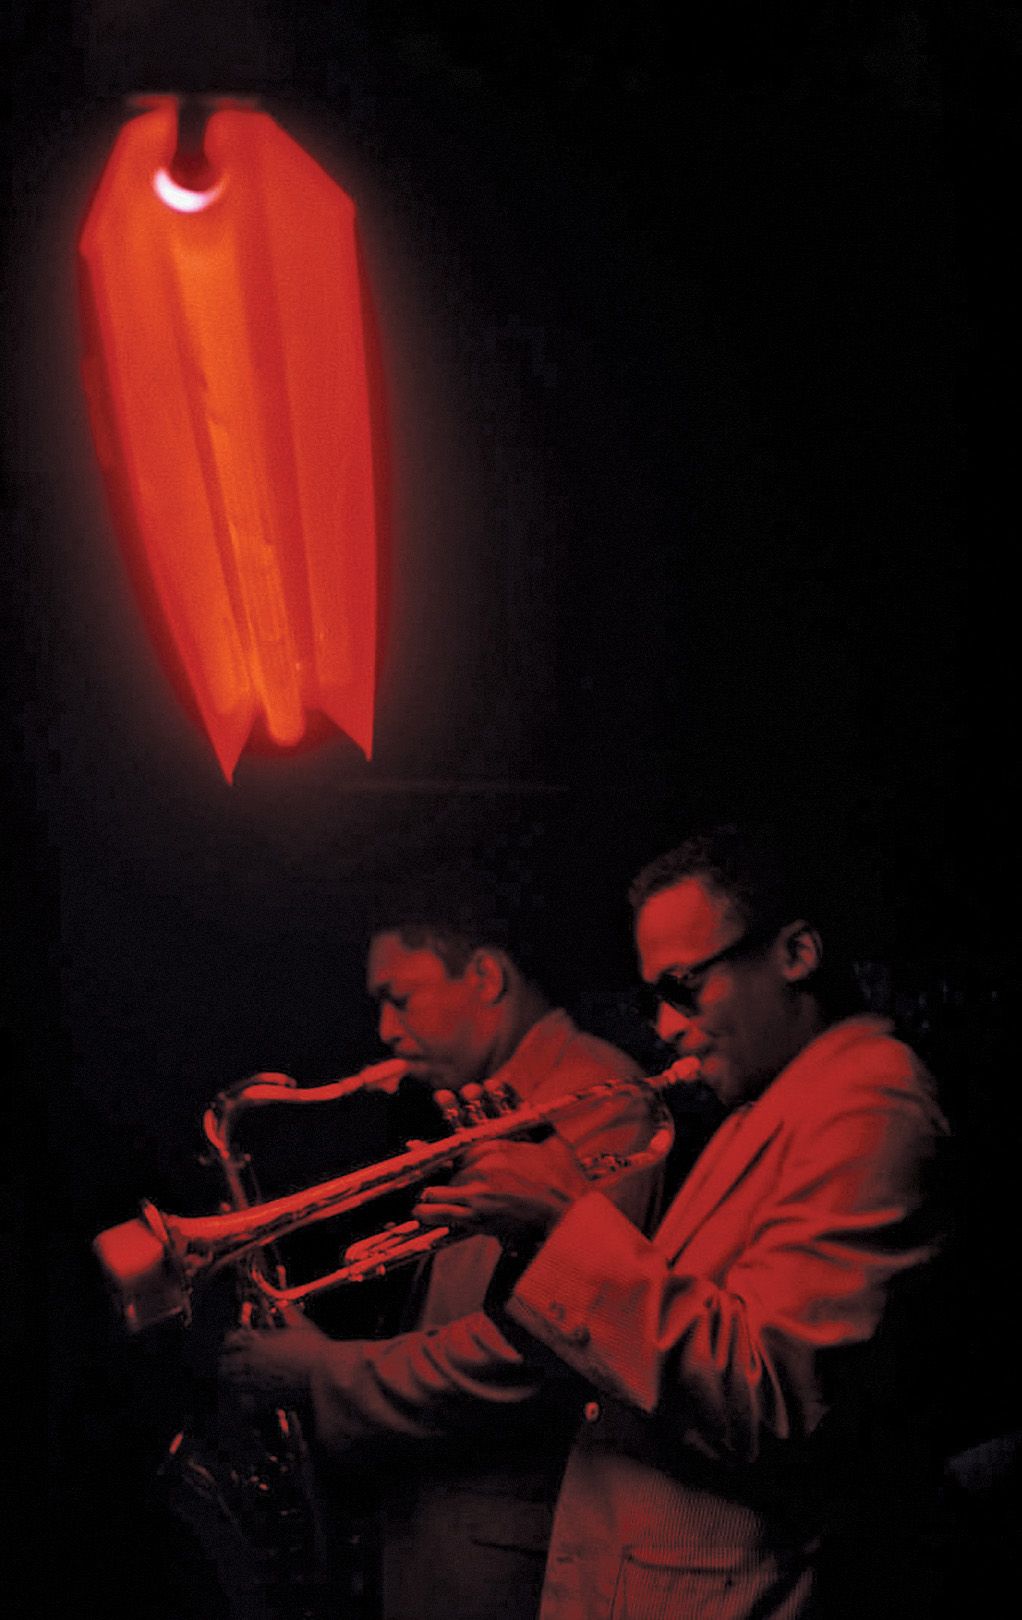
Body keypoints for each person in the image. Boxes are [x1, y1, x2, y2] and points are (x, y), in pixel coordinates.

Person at [413, 824, 950, 1620]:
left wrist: (567, 1220)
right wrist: (538, 1228)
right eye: (651, 997)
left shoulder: (873, 1097)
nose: (664, 1028)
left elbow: (770, 1401)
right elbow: (654, 1338)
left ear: (796, 953)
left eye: (684, 987)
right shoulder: (761, 1107)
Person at [219, 884, 663, 1620]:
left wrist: (323, 1371)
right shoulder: (499, 1103)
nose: (385, 1030)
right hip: (444, 1543)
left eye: (401, 998)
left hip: (509, 1566)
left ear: (485, 978)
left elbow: (538, 1354)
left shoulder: (595, 1099)